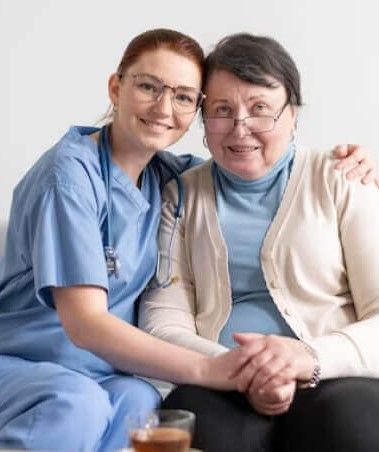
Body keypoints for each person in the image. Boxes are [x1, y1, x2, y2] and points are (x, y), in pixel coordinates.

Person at [0, 28, 374, 451]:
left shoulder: (170, 178)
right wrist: (221, 369)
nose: (163, 108)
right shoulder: (81, 180)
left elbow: (245, 164)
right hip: (31, 362)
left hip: (105, 370)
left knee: (139, 402)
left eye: (182, 97)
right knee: (80, 406)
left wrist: (357, 165)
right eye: (147, 86)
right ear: (115, 87)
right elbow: (94, 323)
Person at [140, 32, 379, 452]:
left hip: (334, 378)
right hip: (219, 380)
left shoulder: (344, 178)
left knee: (352, 426)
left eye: (260, 109)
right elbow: (162, 322)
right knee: (189, 425)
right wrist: (241, 369)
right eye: (221, 110)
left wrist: (307, 359)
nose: (240, 127)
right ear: (203, 120)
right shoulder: (180, 196)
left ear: (293, 115)